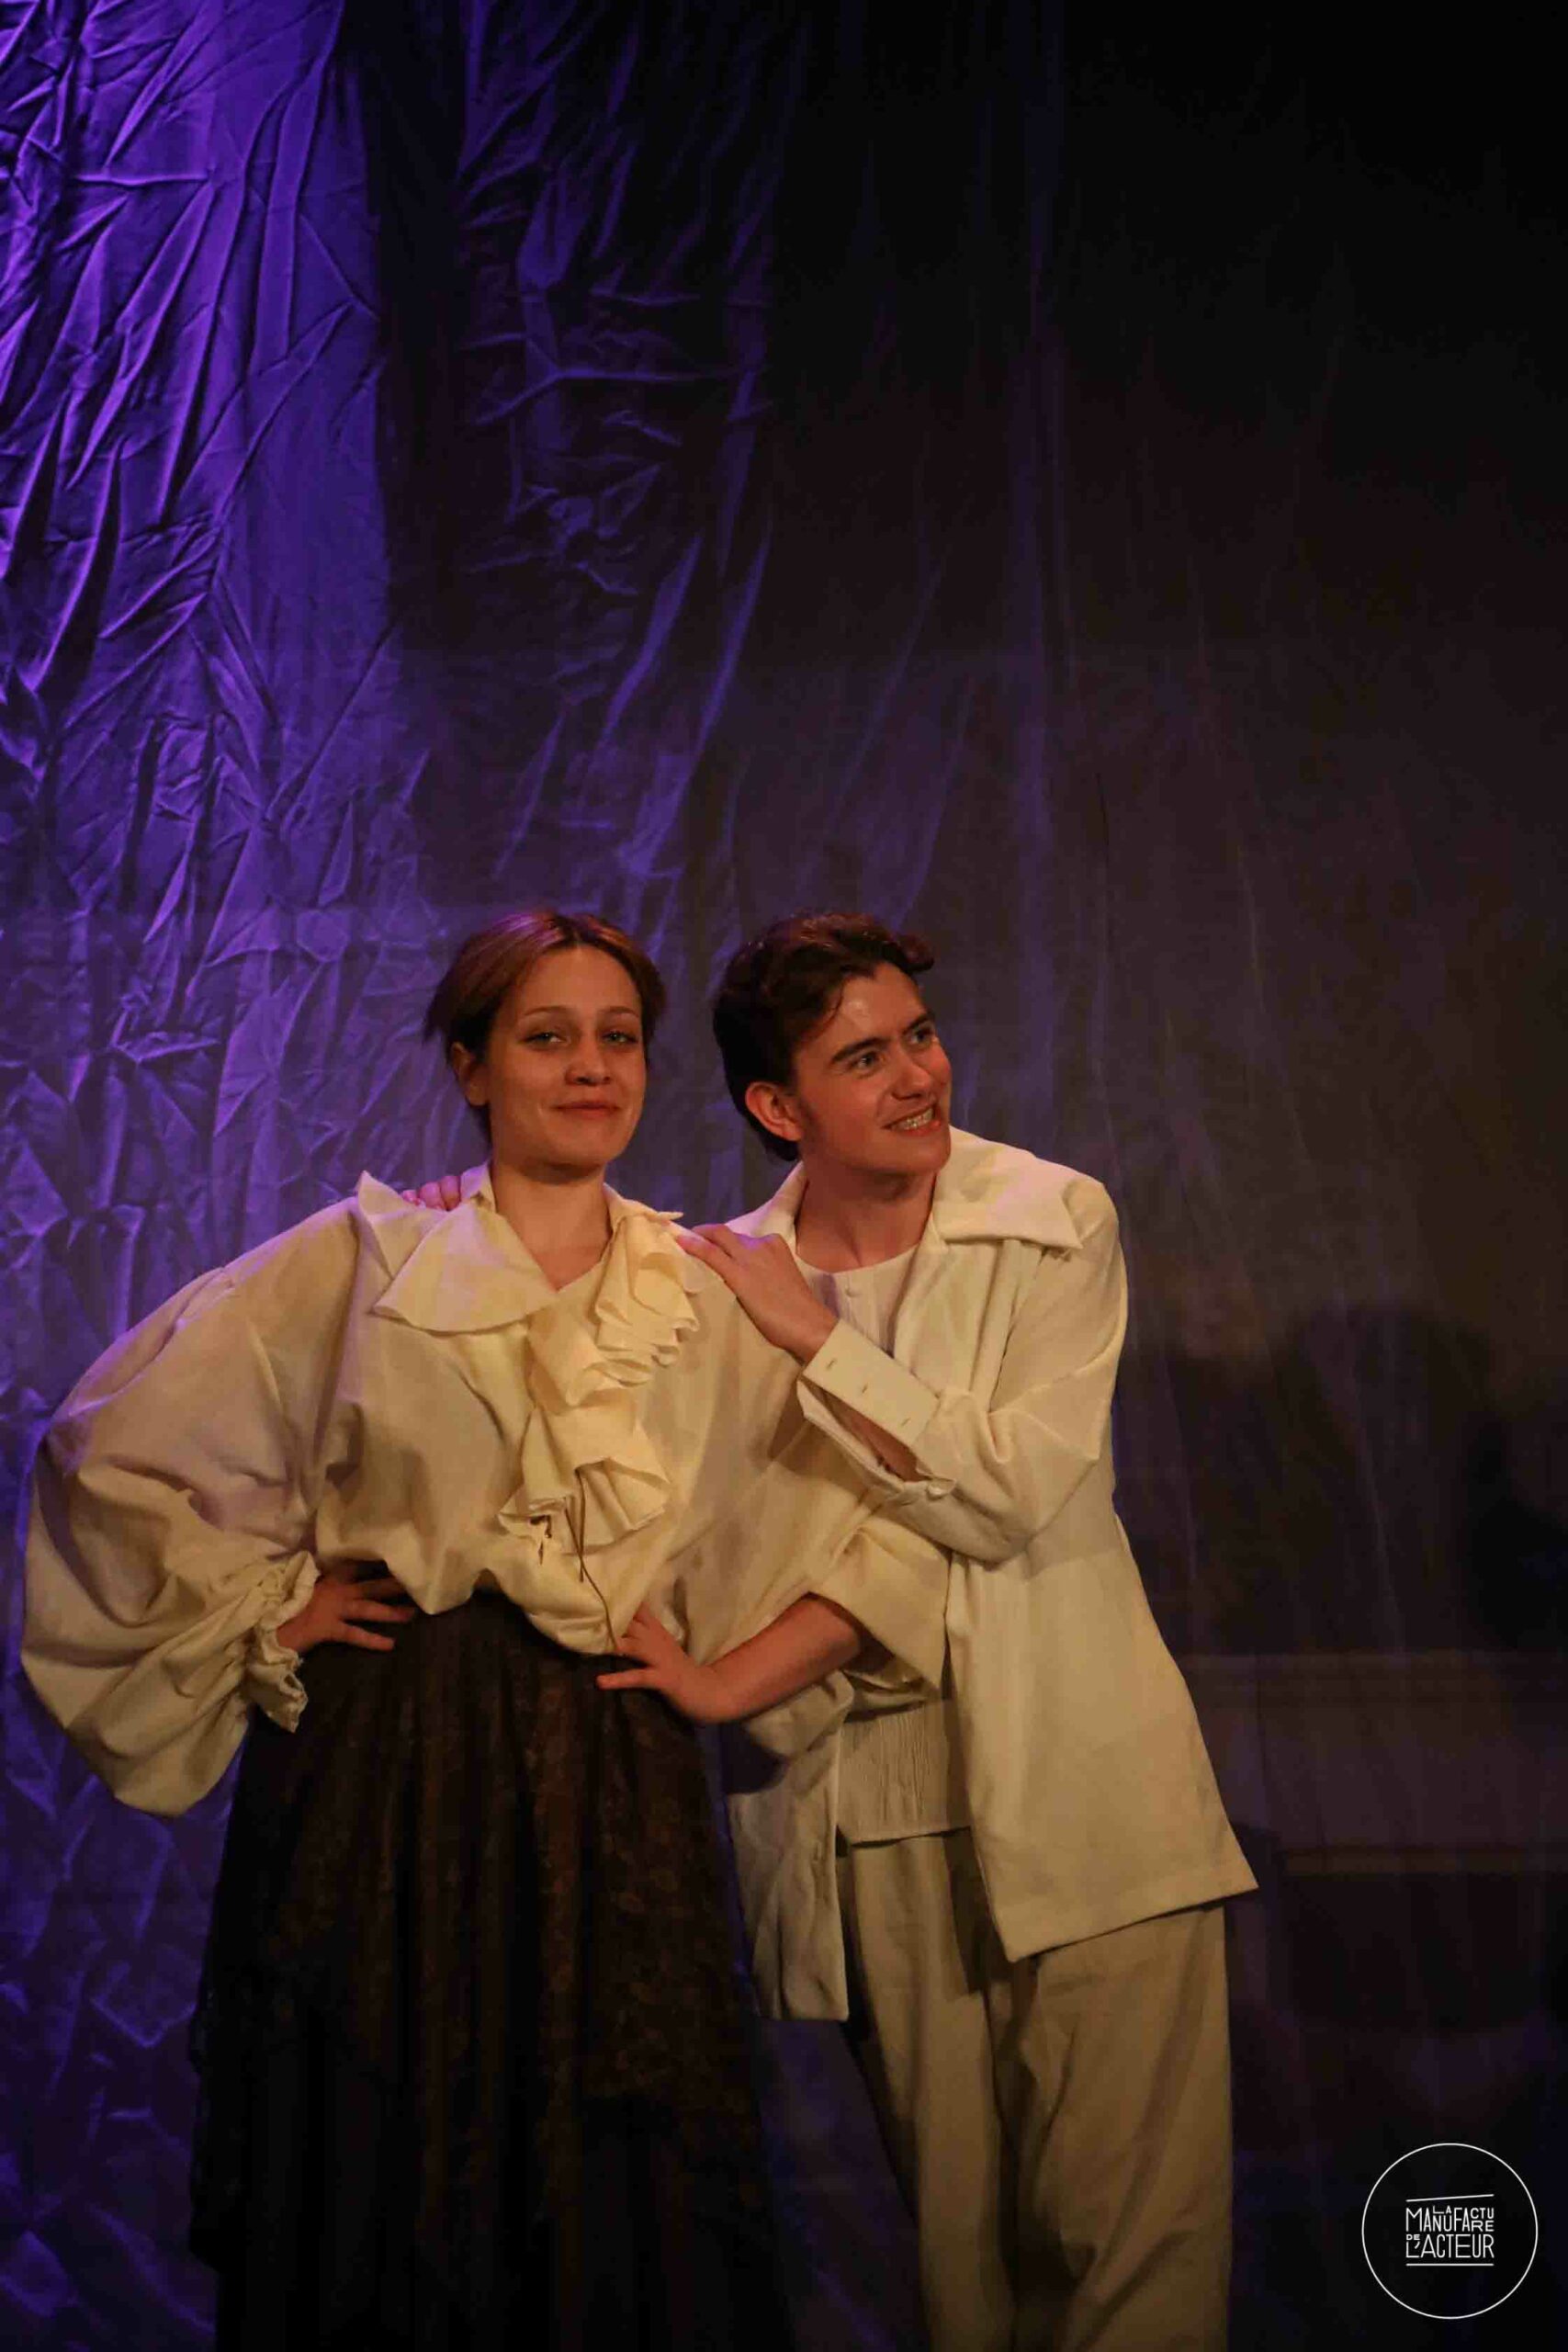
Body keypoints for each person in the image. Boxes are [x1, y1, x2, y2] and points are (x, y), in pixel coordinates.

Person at [22, 909, 949, 2352]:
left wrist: (720, 1680)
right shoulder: (368, 1261)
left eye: (618, 1038)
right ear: (471, 1066)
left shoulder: (698, 1285)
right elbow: (109, 1448)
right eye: (547, 1037)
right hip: (387, 1762)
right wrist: (276, 1604)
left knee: (606, 2165)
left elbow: (871, 1513)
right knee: (382, 2136)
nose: (591, 1067)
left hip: (604, 1766)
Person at [671, 913, 1257, 2352]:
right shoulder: (713, 1286)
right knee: (962, 2276)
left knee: (1135, 2262)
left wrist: (821, 1343)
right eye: (864, 1058)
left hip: (1086, 1790)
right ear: (778, 1107)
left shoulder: (1051, 1218)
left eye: (919, 1036)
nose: (918, 1075)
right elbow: (719, 1552)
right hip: (870, 1816)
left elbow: (1010, 1490)